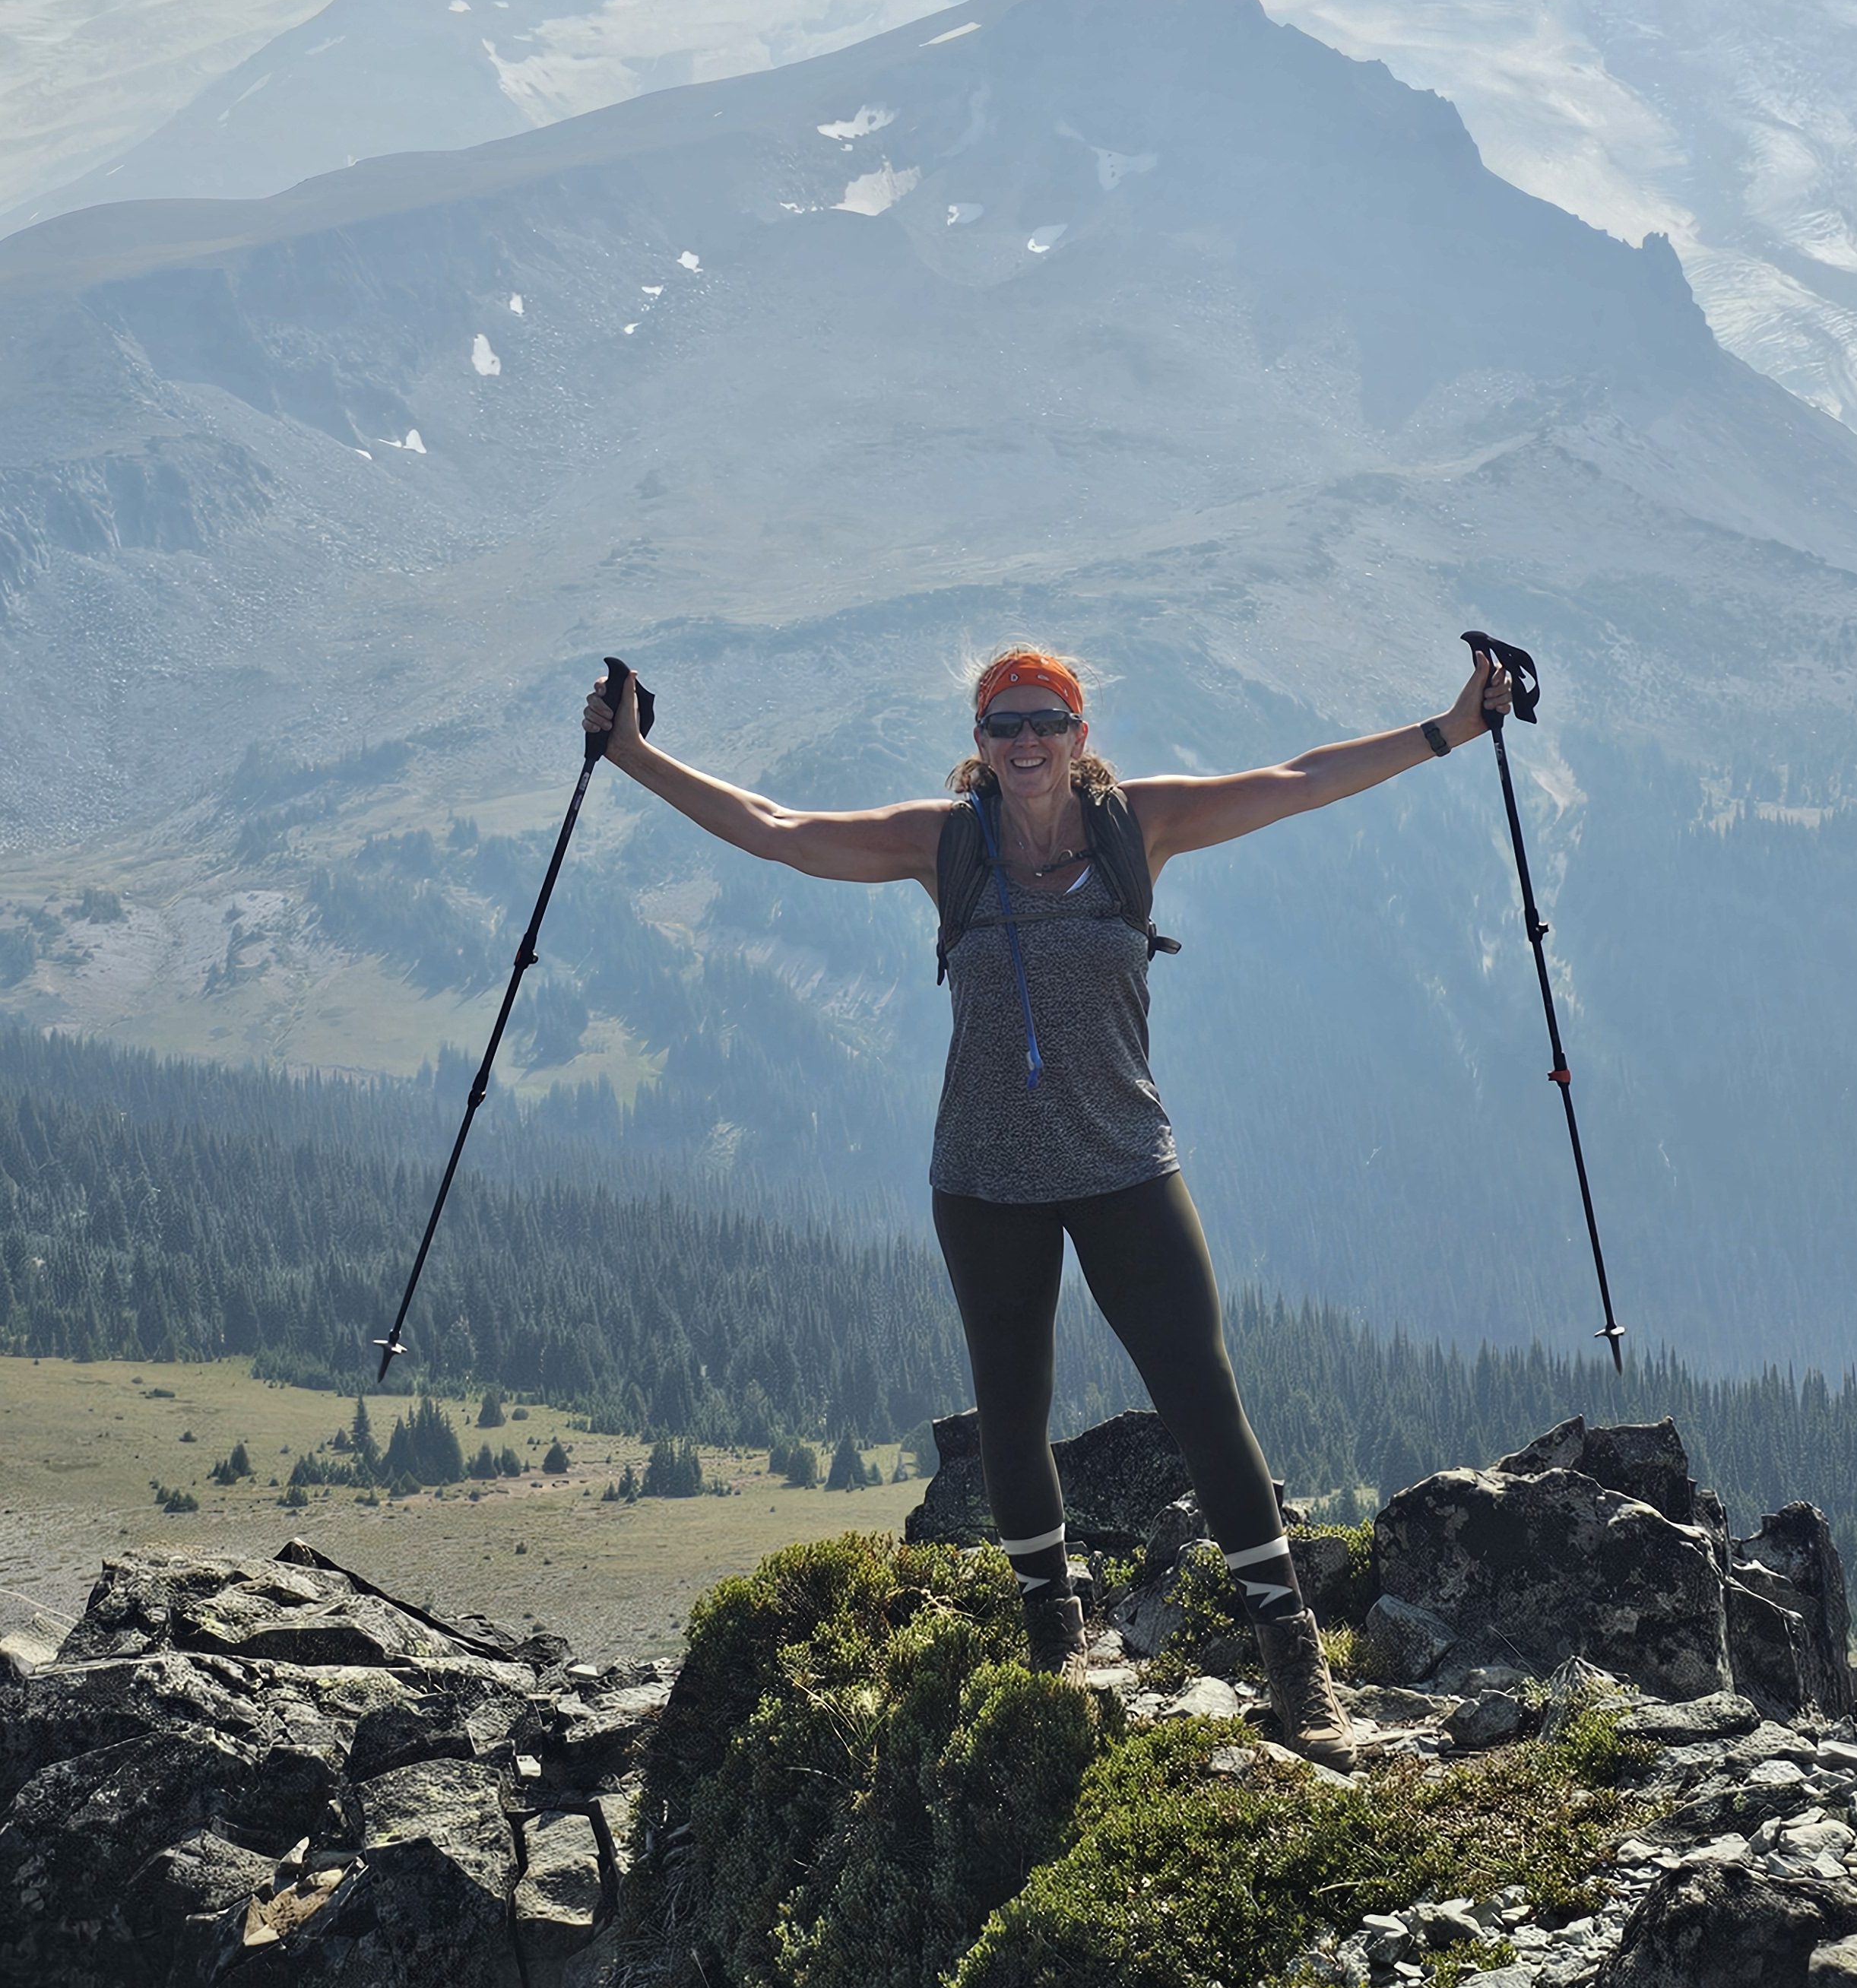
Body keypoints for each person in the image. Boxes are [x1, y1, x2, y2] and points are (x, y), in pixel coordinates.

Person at [585, 637, 1513, 1771]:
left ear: (1080, 735)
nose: (1026, 742)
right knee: (1011, 1408)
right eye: (1004, 725)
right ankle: (1053, 1646)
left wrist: (1449, 731)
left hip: (1126, 1166)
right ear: (979, 743)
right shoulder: (945, 843)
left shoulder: (1138, 825)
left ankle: (1296, 1671)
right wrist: (635, 757)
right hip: (986, 1183)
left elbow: (1298, 780)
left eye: (1046, 722)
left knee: (1204, 1401)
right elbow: (779, 830)